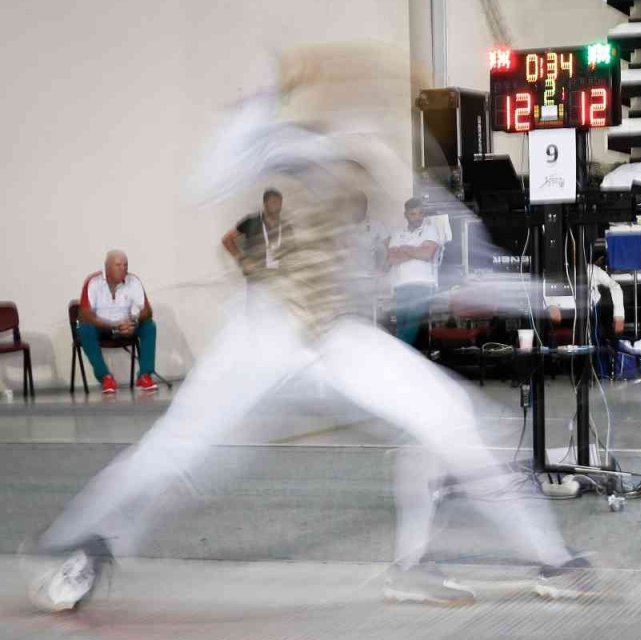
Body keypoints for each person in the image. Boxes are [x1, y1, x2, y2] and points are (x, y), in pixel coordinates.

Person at [29, 42, 587, 614]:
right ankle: (79, 540)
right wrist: (266, 93)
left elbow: (465, 262)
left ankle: (524, 563)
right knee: (184, 454)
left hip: (337, 338)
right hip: (265, 333)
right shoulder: (288, 145)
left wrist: (542, 294)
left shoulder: (377, 157)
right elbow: (206, 179)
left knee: (451, 417)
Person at [76, 250, 159, 393]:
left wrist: (133, 322)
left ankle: (144, 375)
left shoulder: (133, 281)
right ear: (107, 267)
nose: (123, 269)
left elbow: (147, 311)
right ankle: (105, 377)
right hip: (101, 327)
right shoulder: (93, 282)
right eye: (118, 265)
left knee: (149, 326)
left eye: (125, 265)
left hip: (126, 325)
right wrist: (113, 325)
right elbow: (85, 315)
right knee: (84, 328)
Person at [388, 196, 443, 345]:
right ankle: (401, 353)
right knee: (401, 327)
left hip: (423, 286)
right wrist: (416, 250)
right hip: (401, 286)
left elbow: (427, 254)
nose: (418, 217)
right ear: (405, 215)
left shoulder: (430, 230)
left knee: (410, 327)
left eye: (420, 213)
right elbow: (392, 259)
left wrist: (404, 249)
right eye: (413, 214)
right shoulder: (397, 233)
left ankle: (398, 353)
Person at [222, 189, 288, 278]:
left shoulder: (285, 226)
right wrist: (242, 259)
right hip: (257, 279)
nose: (277, 206)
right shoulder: (252, 222)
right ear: (265, 204)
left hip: (280, 278)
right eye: (274, 202)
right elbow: (227, 240)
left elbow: (292, 251)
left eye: (280, 203)